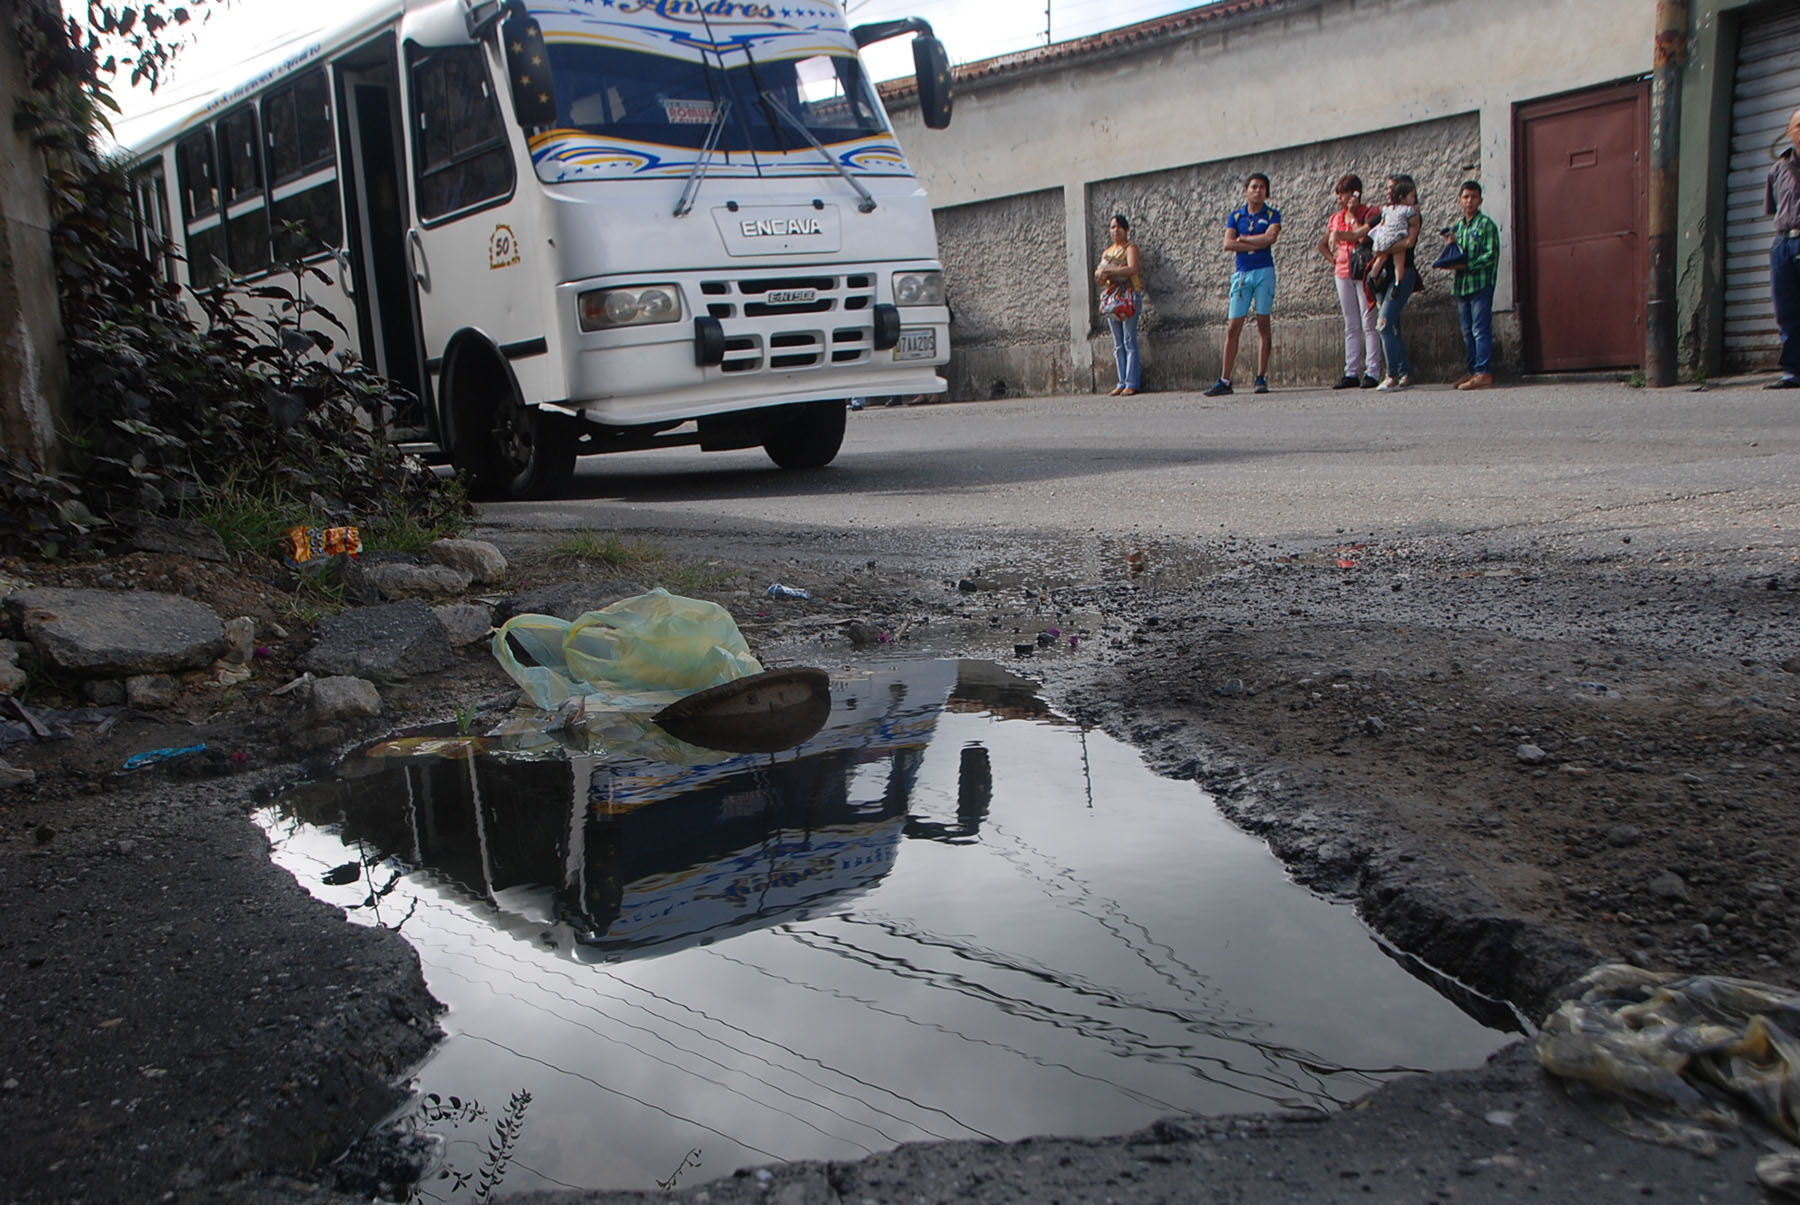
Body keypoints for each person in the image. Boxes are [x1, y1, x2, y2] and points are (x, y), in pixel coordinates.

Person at [1203, 173, 1281, 396]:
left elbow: (1270, 239)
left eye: (1262, 187)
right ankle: (1225, 380)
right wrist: (1251, 242)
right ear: (1246, 190)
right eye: (1254, 186)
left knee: (1263, 323)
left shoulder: (1272, 214)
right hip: (1242, 274)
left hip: (1264, 271)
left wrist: (1244, 240)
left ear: (1266, 192)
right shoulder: (1236, 216)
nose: (1257, 191)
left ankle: (1261, 376)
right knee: (1233, 326)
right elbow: (1228, 244)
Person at [1318, 173, 1381, 390]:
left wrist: (1354, 214)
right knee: (1351, 323)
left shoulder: (1369, 213)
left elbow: (1362, 237)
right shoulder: (1336, 218)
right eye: (1338, 194)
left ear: (1355, 194)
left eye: (1342, 194)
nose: (1339, 199)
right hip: (1342, 272)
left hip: (1362, 271)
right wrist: (1333, 259)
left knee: (1369, 321)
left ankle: (1372, 370)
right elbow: (1323, 243)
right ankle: (1351, 371)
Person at [1439, 179, 1501, 390]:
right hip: (1462, 286)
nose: (1469, 201)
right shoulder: (1457, 228)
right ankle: (1472, 370)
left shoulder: (1486, 225)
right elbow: (1454, 255)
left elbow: (1491, 255)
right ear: (1459, 201)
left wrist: (1469, 266)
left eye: (1473, 197)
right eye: (1465, 197)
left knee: (1480, 329)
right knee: (1466, 331)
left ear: (1480, 200)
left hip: (1480, 284)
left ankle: (1484, 372)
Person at [1372, 174, 1422, 391]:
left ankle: (1391, 374)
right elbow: (1374, 240)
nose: (1388, 192)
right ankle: (1405, 371)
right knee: (1391, 326)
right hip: (1384, 276)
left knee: (1383, 324)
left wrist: (1385, 248)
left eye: (1392, 188)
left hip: (1402, 274)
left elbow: (1409, 242)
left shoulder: (1411, 214)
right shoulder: (1387, 213)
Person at [1766, 106, 1800, 389]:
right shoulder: (1778, 169)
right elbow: (1774, 208)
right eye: (1797, 126)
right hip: (1783, 242)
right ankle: (1793, 371)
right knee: (1786, 309)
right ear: (1789, 132)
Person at [1094, 214, 1144, 396]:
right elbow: (1101, 277)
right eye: (1112, 227)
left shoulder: (1130, 249)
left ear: (1126, 229)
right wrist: (1101, 275)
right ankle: (1121, 381)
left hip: (1128, 297)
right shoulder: (1107, 252)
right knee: (1118, 343)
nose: (1115, 230)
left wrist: (1109, 270)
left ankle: (1132, 382)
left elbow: (1132, 269)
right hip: (1112, 300)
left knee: (1129, 340)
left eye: (1119, 227)